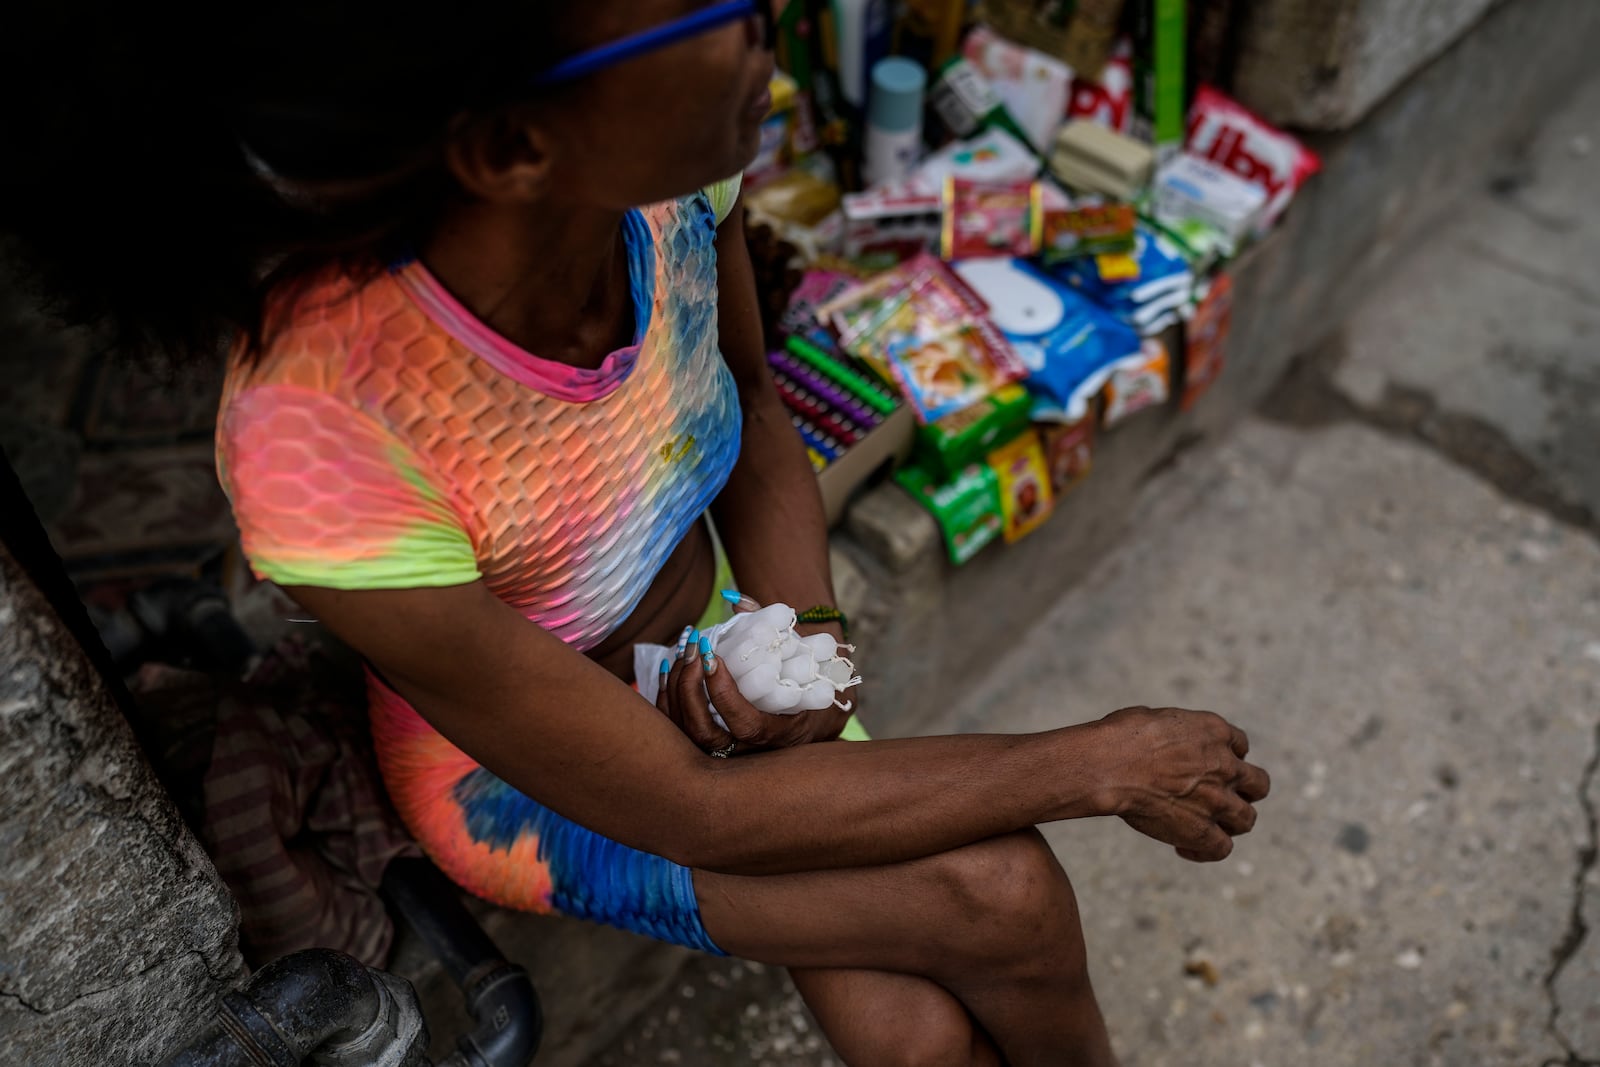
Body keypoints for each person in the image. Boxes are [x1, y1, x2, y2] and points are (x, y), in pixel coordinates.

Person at [1, 3, 1270, 1063]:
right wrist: (1093, 762)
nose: (759, 31)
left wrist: (807, 654)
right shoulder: (322, 432)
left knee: (912, 1034)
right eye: (712, 16)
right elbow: (685, 808)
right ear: (511, 147)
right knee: (1005, 893)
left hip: (725, 654)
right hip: (534, 786)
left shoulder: (672, 189)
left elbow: (757, 411)